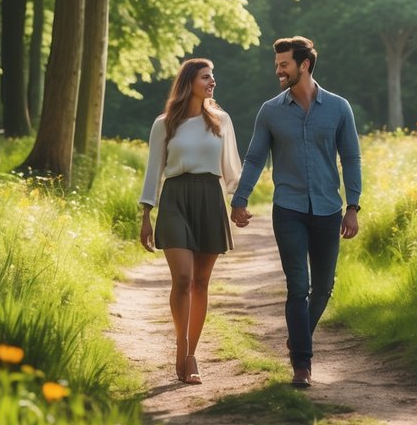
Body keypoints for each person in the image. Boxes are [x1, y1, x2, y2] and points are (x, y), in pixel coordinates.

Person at [230, 37, 361, 388]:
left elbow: (350, 158)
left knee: (324, 287)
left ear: (304, 65)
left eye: (284, 64)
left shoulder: (338, 108)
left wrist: (353, 207)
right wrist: (240, 199)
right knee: (297, 286)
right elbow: (255, 157)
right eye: (277, 65)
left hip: (328, 208)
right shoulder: (270, 110)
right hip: (287, 208)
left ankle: (298, 335)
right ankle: (302, 363)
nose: (278, 70)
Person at [140, 58, 242, 385]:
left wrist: (239, 203)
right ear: (189, 82)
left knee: (201, 282)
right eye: (205, 77)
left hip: (210, 199)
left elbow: (231, 167)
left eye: (213, 77)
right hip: (175, 198)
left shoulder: (221, 121)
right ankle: (180, 345)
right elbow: (153, 170)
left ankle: (192, 354)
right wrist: (146, 213)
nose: (212, 82)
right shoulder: (165, 123)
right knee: (182, 278)